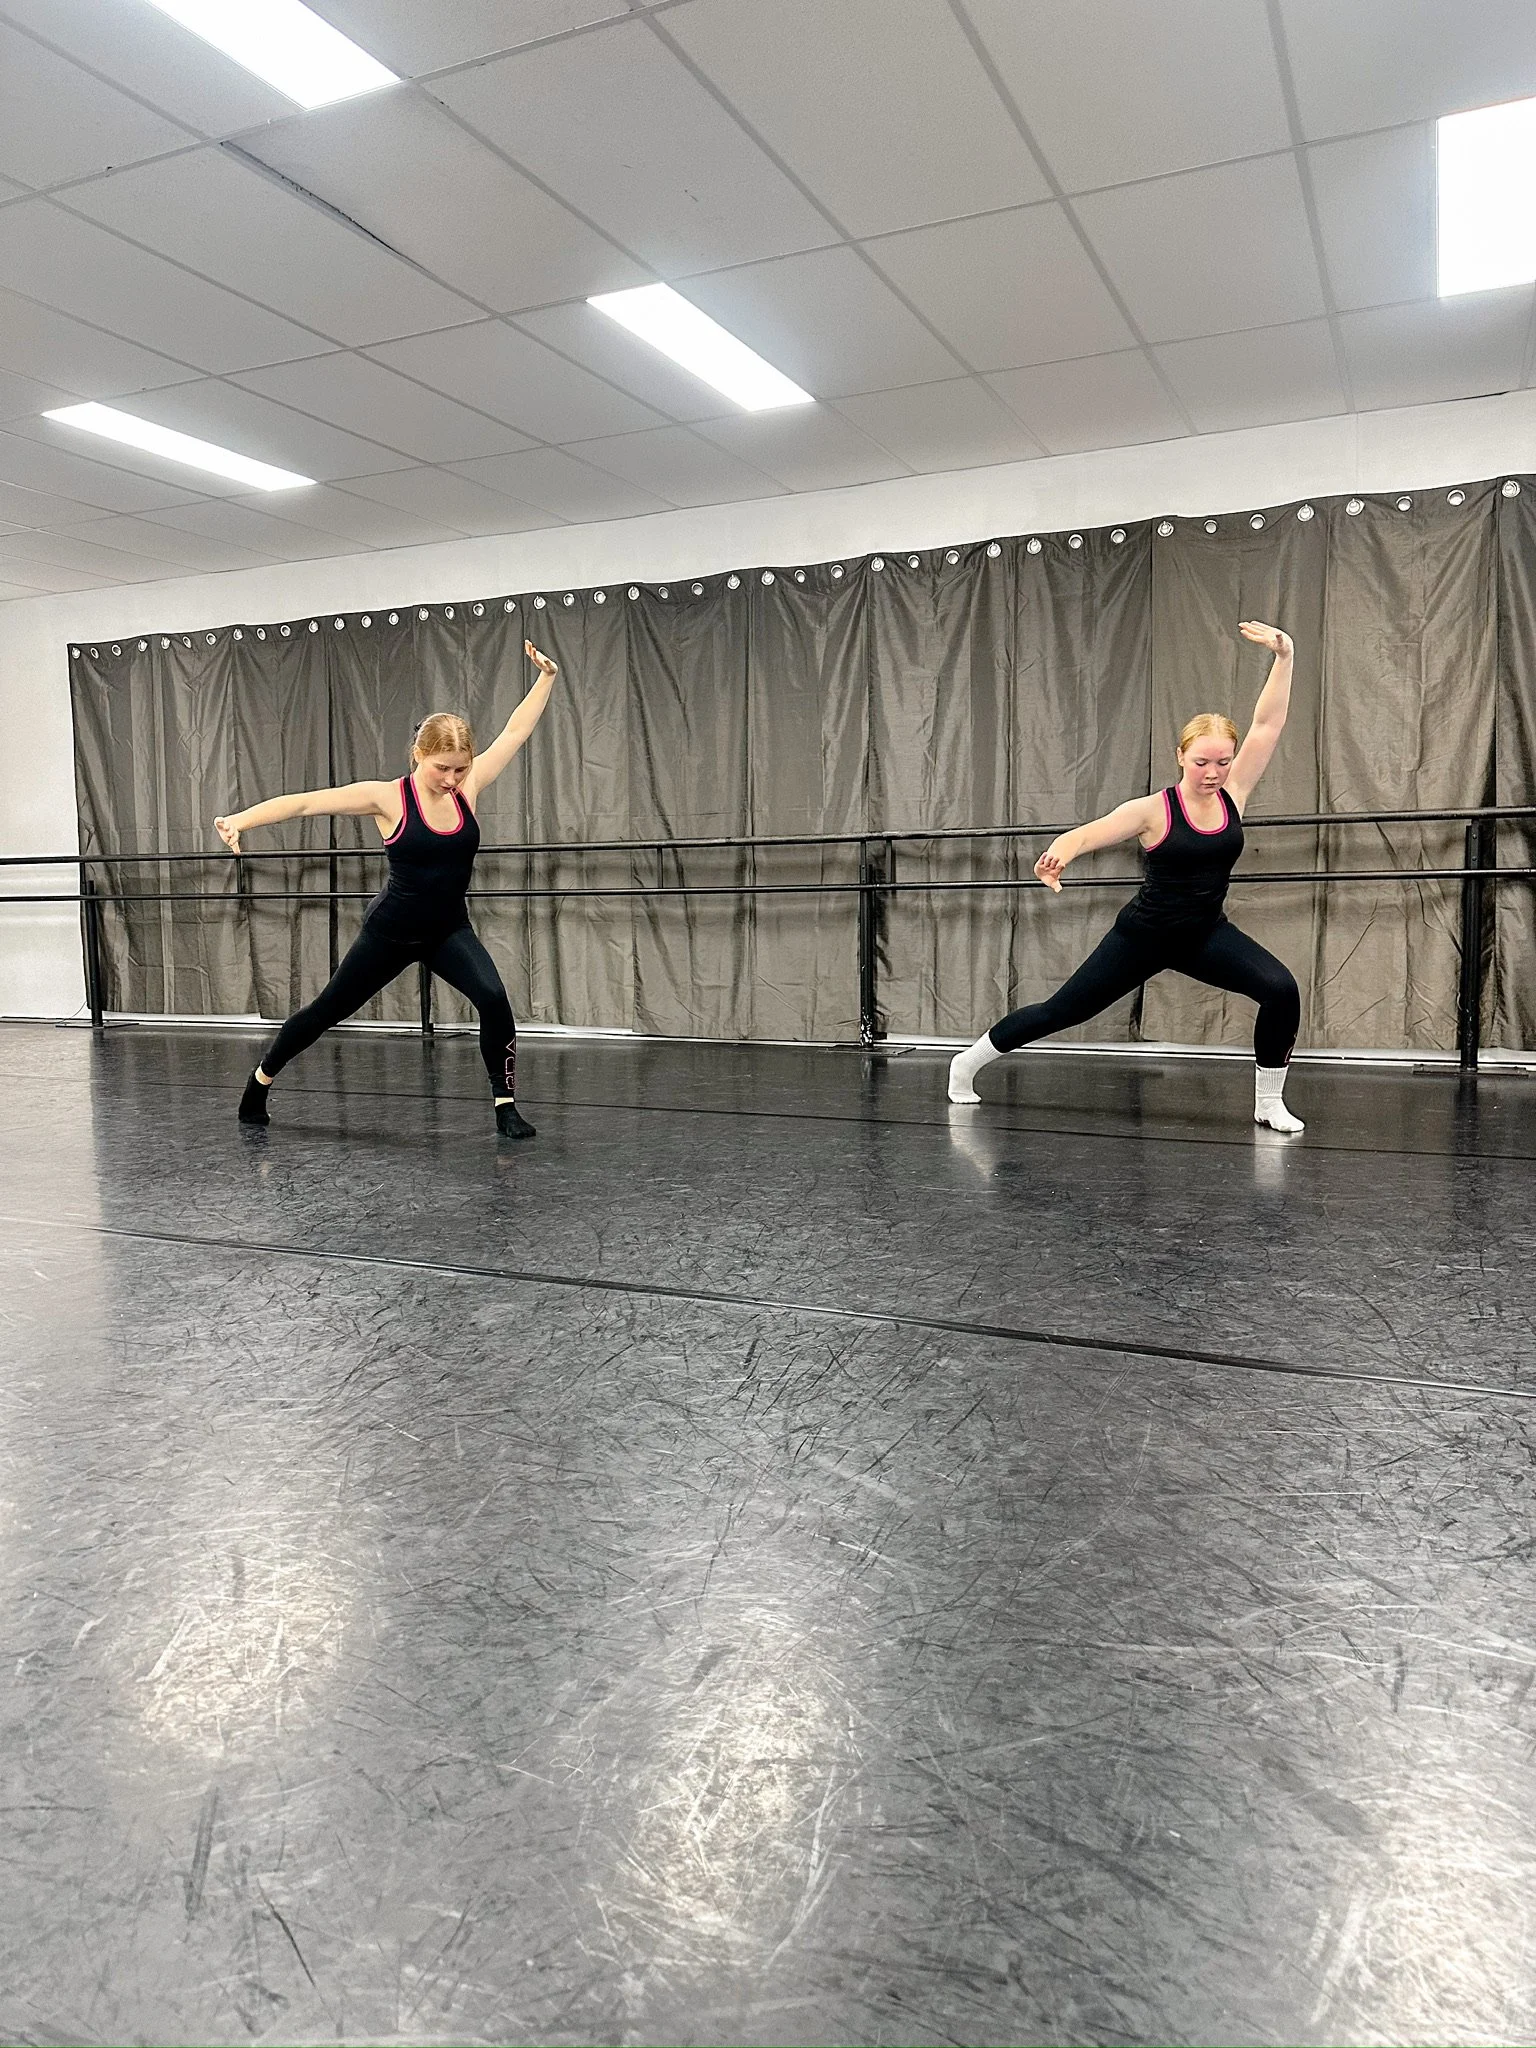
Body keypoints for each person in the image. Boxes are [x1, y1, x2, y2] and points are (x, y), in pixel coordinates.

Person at [948, 621, 1304, 1132]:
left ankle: (1268, 1102)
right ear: (1181, 756)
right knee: (1060, 1012)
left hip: (1205, 934)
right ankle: (967, 1063)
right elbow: (1088, 834)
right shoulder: (1153, 810)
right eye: (1202, 761)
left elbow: (1267, 725)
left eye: (1222, 762)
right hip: (1144, 937)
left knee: (1280, 989)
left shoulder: (1235, 794)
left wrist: (1284, 657)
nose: (1213, 771)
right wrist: (1057, 854)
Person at [214, 640, 559, 1139]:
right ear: (420, 755)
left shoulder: (469, 787)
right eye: (443, 767)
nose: (452, 777)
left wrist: (546, 677)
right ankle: (260, 1080)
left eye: (460, 766)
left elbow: (515, 731)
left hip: (447, 931)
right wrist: (239, 821)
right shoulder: (386, 798)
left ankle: (504, 1106)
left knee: (494, 998)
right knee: (325, 1012)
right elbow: (308, 804)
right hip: (390, 933)